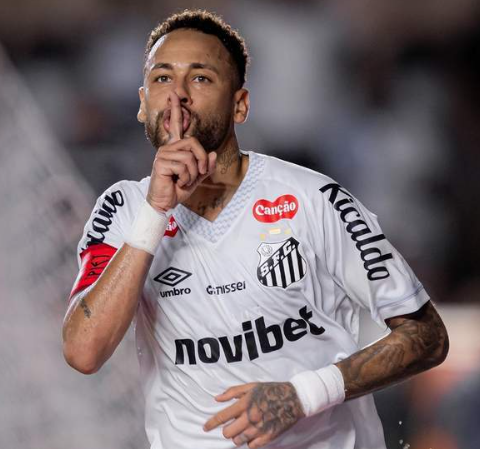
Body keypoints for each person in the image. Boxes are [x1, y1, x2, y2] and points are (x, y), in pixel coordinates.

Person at [62, 9, 449, 449]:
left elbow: (427, 336)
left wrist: (304, 395)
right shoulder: (122, 209)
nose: (178, 95)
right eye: (162, 78)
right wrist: (156, 213)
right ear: (141, 103)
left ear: (240, 105)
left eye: (201, 78)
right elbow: (83, 351)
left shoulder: (313, 199)